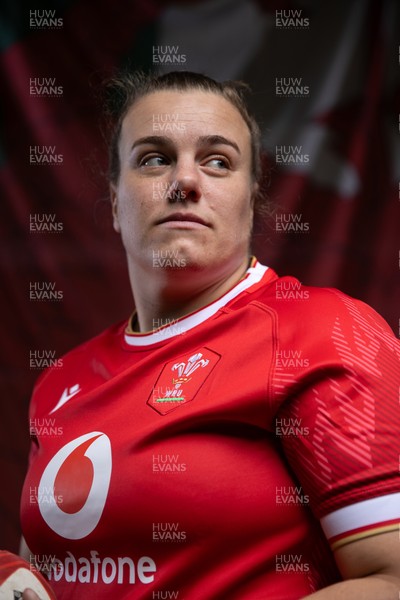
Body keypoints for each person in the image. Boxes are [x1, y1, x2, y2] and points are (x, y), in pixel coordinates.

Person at [19, 70, 400, 599]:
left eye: (218, 161)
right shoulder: (63, 378)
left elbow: (391, 580)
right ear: (113, 203)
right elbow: (47, 573)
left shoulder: (322, 332)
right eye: (154, 158)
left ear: (251, 201)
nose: (185, 181)